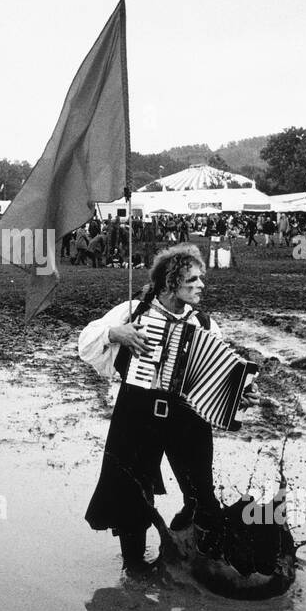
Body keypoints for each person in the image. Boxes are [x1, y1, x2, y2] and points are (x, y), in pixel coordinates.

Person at [78, 243, 226, 575]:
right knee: (131, 490)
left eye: (201, 278)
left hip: (188, 415)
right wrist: (116, 333)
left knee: (200, 491)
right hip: (137, 411)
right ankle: (135, 567)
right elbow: (85, 342)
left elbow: (221, 372)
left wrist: (242, 391)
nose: (202, 285)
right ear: (169, 283)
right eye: (193, 279)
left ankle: (193, 555)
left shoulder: (204, 323)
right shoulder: (134, 310)